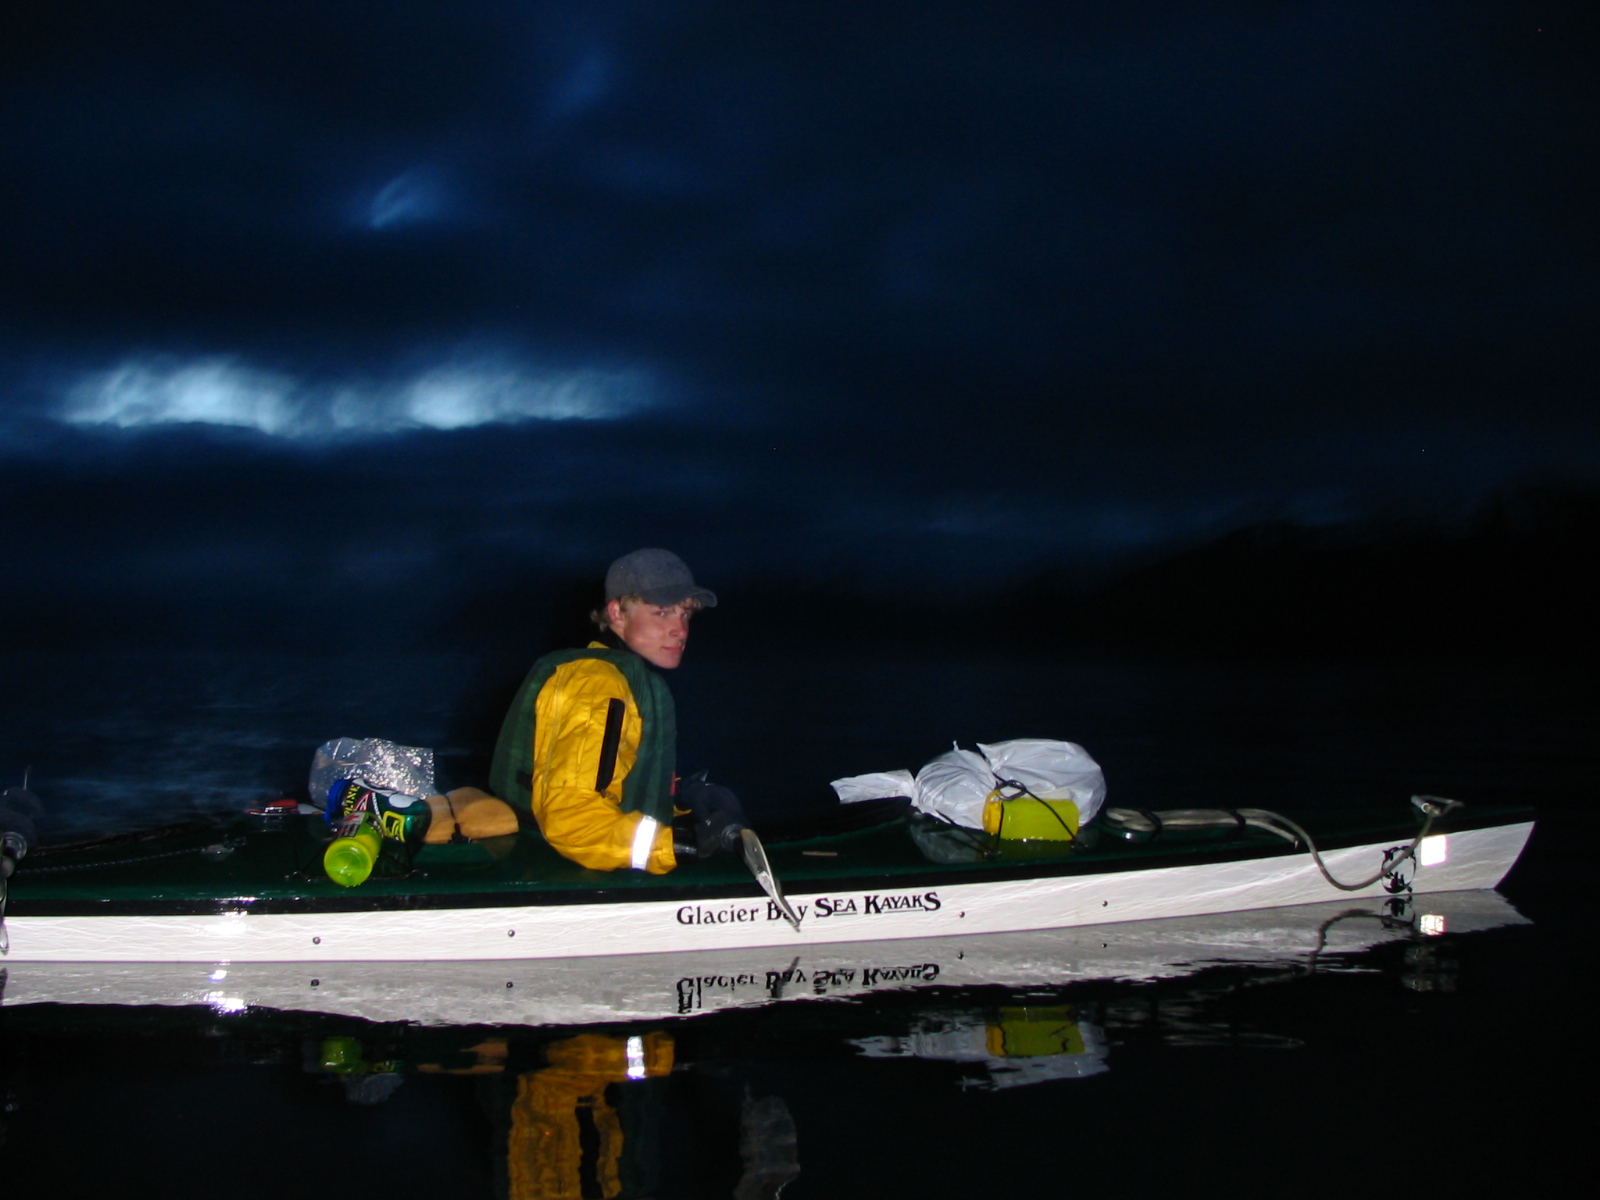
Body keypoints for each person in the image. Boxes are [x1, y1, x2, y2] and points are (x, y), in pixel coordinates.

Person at [488, 549, 746, 873]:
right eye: (663, 613)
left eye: (686, 615)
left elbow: (620, 786)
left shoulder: (617, 680)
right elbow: (572, 819)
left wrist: (682, 803)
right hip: (568, 874)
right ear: (617, 614)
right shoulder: (596, 687)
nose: (681, 630)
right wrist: (678, 845)